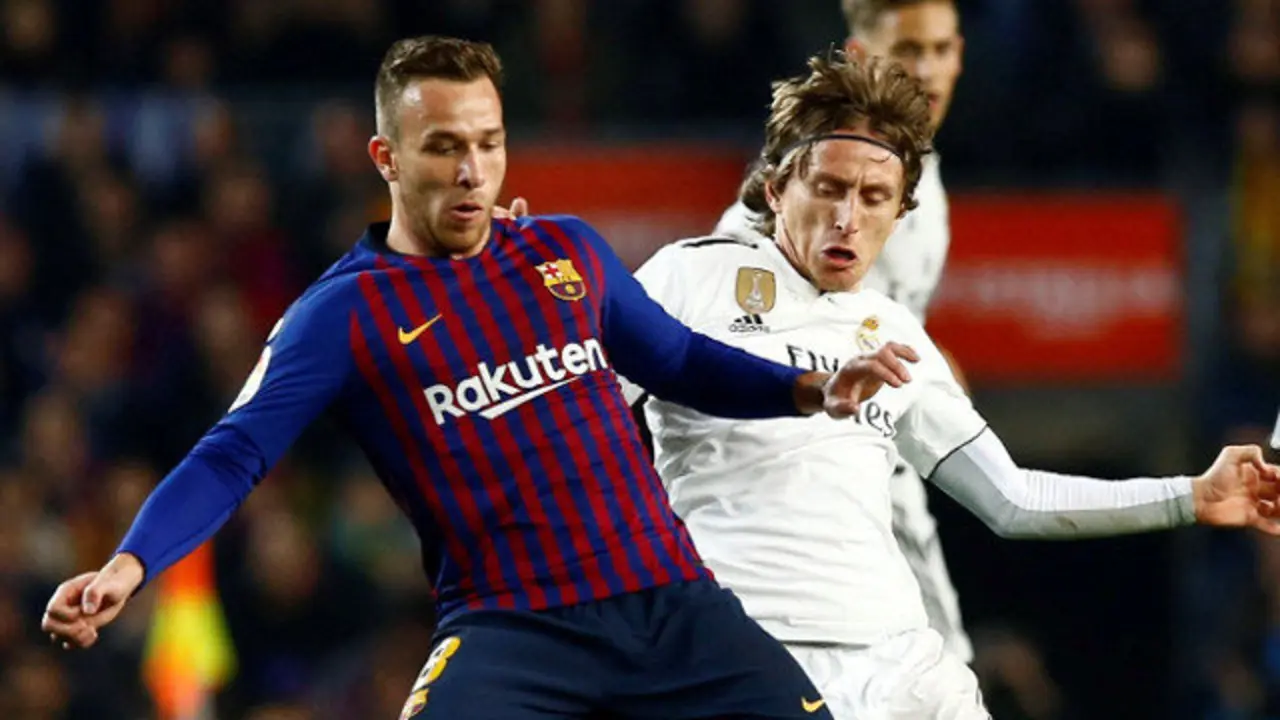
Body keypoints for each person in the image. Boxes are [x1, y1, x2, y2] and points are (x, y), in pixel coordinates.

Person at [38, 35, 900, 720]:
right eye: (443, 146)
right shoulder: (340, 316)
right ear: (385, 156)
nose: (472, 171)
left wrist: (809, 389)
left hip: (672, 607)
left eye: (488, 143)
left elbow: (674, 359)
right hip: (511, 632)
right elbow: (233, 455)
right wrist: (130, 564)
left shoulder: (566, 252)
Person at [629, 51, 1280, 719]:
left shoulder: (892, 330)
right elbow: (572, 417)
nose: (848, 217)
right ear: (776, 189)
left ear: (900, 211)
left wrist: (1192, 495)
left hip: (899, 664)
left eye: (874, 197)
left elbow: (1014, 498)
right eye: (828, 187)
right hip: (749, 649)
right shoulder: (690, 279)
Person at [715, 0, 973, 663]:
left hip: (870, 460)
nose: (930, 69)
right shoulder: (817, 186)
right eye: (909, 50)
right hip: (803, 475)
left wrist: (927, 360)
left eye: (942, 49)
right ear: (860, 56)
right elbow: (728, 297)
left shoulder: (921, 174)